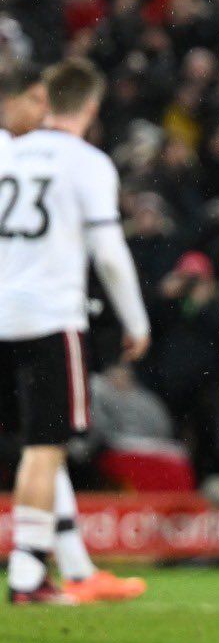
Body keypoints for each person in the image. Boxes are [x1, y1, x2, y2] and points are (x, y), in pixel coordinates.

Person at [1, 59, 151, 605]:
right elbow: (109, 254)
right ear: (90, 107)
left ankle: (68, 567)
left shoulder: (7, 153)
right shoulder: (87, 163)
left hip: (2, 314)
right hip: (50, 318)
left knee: (34, 448)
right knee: (46, 448)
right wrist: (136, 320)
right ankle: (26, 576)